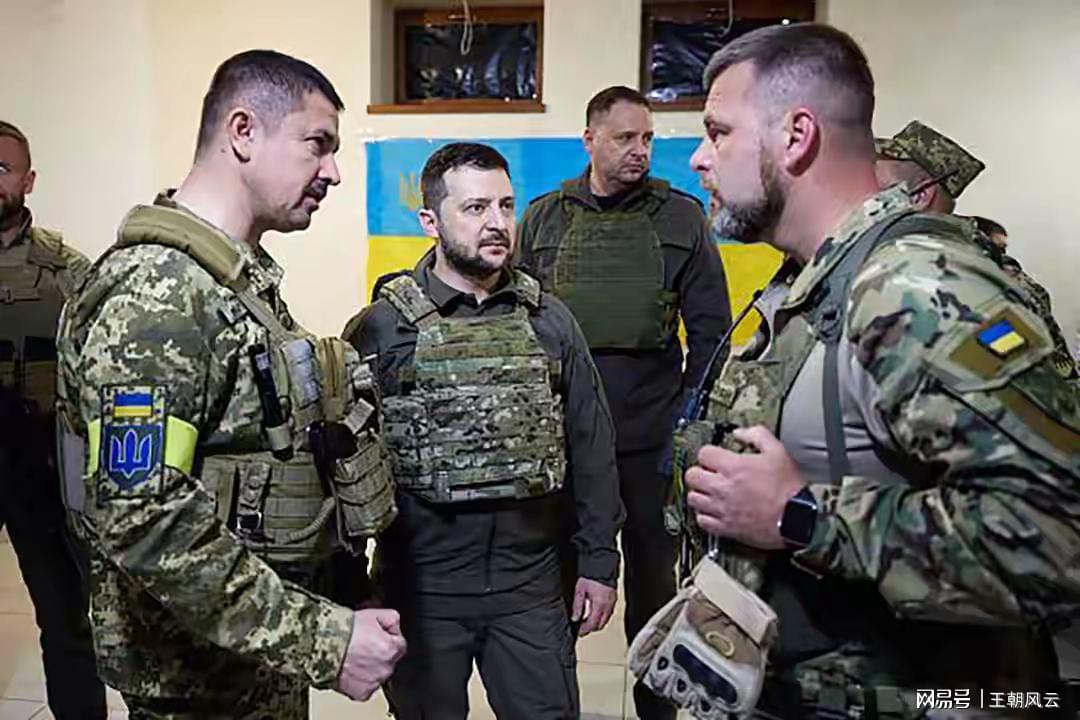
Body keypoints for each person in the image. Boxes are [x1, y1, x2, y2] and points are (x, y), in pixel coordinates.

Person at [666, 22, 1078, 718]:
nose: (700, 159)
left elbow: (1058, 540)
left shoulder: (917, 288)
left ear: (796, 136)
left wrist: (800, 515)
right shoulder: (811, 283)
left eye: (718, 132)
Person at [54, 50, 406, 718]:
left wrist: (340, 589)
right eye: (317, 144)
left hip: (250, 658)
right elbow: (143, 518)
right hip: (195, 680)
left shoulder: (234, 285)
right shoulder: (158, 295)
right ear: (243, 132)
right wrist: (326, 640)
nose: (332, 171)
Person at [343, 142, 622, 720]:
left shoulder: (550, 320)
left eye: (505, 205)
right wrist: (351, 587)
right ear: (430, 221)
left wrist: (599, 563)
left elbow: (591, 445)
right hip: (422, 592)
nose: (497, 222)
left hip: (530, 589)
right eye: (475, 208)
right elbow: (344, 464)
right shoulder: (382, 329)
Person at [516, 85, 731, 720]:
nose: (640, 151)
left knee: (654, 588)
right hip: (562, 442)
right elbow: (518, 323)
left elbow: (712, 335)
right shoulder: (544, 219)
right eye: (625, 138)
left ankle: (656, 711)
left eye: (647, 139)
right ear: (590, 141)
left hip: (649, 440)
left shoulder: (681, 218)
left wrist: (687, 423)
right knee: (553, 587)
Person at [0, 120, 107, 720]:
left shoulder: (66, 270)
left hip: (38, 466)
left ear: (29, 179)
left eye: (2, 168)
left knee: (66, 617)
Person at [876, 122, 1077, 382]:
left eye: (879, 188)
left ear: (920, 195)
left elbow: (1039, 390)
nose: (868, 199)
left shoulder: (986, 282)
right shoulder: (891, 262)